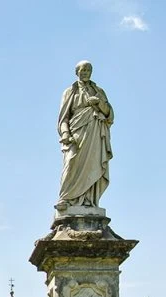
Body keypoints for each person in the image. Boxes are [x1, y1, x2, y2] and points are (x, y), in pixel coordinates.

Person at [56, 60, 114, 211]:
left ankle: (88, 200)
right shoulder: (70, 92)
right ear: (77, 72)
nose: (85, 72)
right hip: (76, 133)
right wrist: (65, 134)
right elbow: (63, 118)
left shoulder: (99, 91)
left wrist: (99, 102)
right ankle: (66, 198)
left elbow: (110, 115)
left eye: (88, 70)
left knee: (93, 164)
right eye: (82, 70)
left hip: (94, 132)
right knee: (71, 162)